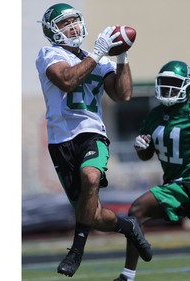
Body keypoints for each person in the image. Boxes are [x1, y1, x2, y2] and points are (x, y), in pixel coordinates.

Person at [35, 3, 152, 278]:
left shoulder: (99, 58)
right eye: (65, 24)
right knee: (95, 216)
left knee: (91, 177)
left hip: (92, 133)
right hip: (61, 140)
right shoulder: (48, 54)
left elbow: (122, 95)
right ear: (53, 31)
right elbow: (66, 80)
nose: (73, 27)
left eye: (75, 20)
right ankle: (129, 227)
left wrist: (121, 58)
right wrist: (98, 53)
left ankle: (76, 251)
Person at [114, 60, 190, 281]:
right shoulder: (154, 115)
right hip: (176, 185)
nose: (168, 89)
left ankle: (127, 276)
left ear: (187, 86)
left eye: (174, 84)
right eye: (165, 83)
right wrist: (141, 147)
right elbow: (145, 155)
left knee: (137, 210)